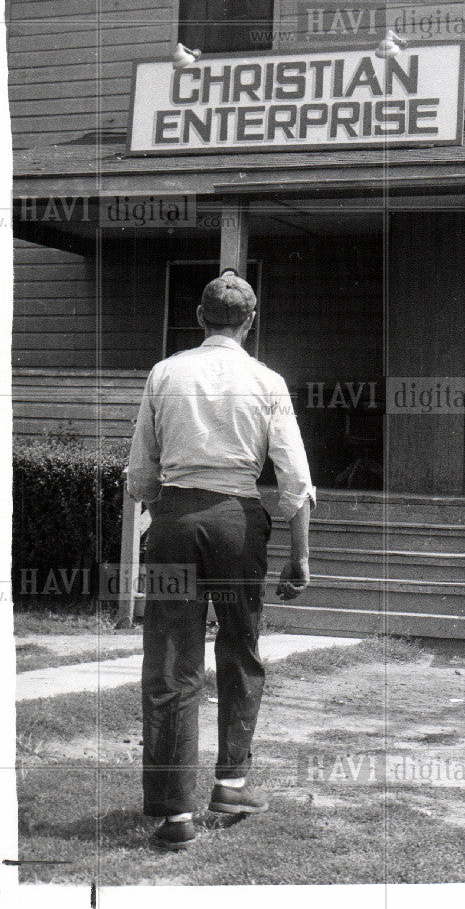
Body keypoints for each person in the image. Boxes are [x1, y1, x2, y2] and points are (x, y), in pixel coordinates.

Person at [127, 268, 315, 851]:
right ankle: (231, 784)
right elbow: (295, 480)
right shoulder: (267, 380)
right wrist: (299, 558)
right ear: (250, 323)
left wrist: (172, 512)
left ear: (200, 317)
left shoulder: (165, 373)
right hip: (238, 523)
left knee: (171, 662)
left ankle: (173, 814)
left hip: (177, 522)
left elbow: (139, 477)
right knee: (239, 652)